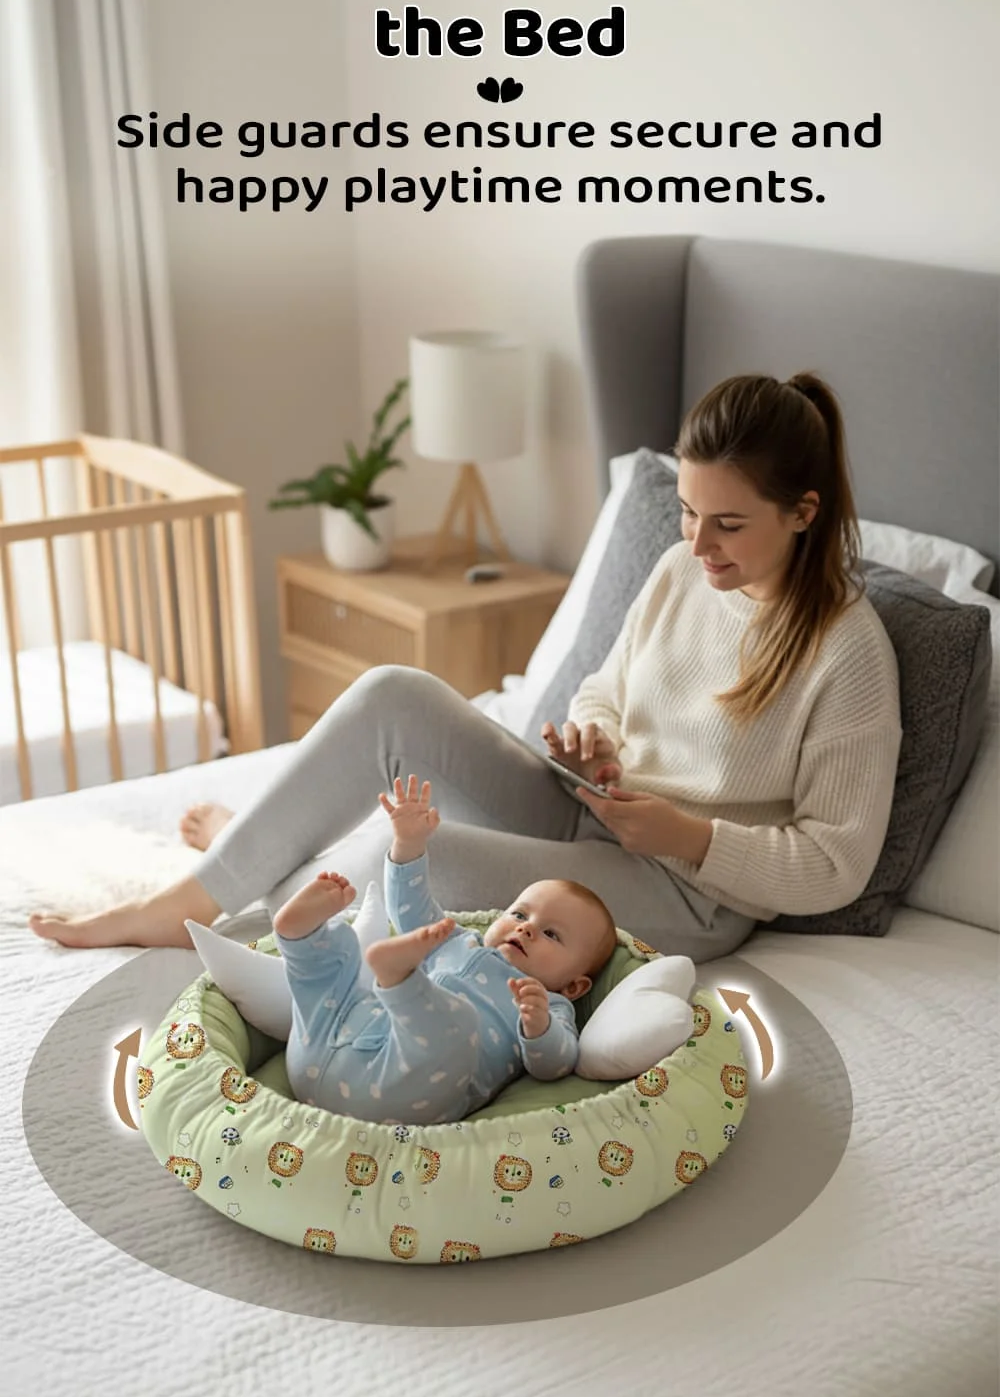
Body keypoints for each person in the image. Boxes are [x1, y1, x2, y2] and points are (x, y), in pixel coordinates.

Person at [32, 369, 901, 970]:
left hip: (688, 889)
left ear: (803, 512)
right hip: (593, 812)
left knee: (420, 855)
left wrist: (687, 834)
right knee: (392, 695)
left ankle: (265, 879)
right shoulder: (682, 571)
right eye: (685, 511)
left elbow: (835, 865)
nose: (696, 544)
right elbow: (607, 684)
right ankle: (200, 891)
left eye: (728, 525)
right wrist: (592, 736)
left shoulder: (848, 650)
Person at [273, 768, 616, 1117]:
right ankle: (304, 941)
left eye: (551, 934)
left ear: (575, 985)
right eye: (519, 915)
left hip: (409, 1089)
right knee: (340, 980)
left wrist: (538, 1027)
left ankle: (399, 979)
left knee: (457, 1028)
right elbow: (411, 907)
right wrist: (408, 844)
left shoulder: (550, 1005)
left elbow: (557, 1065)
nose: (526, 929)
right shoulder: (457, 939)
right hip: (326, 1048)